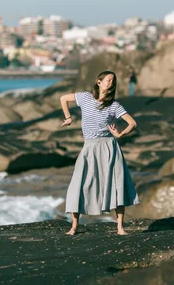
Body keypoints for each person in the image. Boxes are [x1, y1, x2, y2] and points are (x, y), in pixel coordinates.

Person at [59, 70, 140, 236]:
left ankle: (120, 227)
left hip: (109, 147)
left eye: (113, 81)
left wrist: (120, 134)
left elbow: (132, 123)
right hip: (89, 147)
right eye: (108, 80)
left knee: (117, 186)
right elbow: (63, 99)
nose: (110, 83)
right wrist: (68, 117)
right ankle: (74, 226)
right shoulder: (85, 98)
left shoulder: (114, 106)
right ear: (99, 82)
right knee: (79, 184)